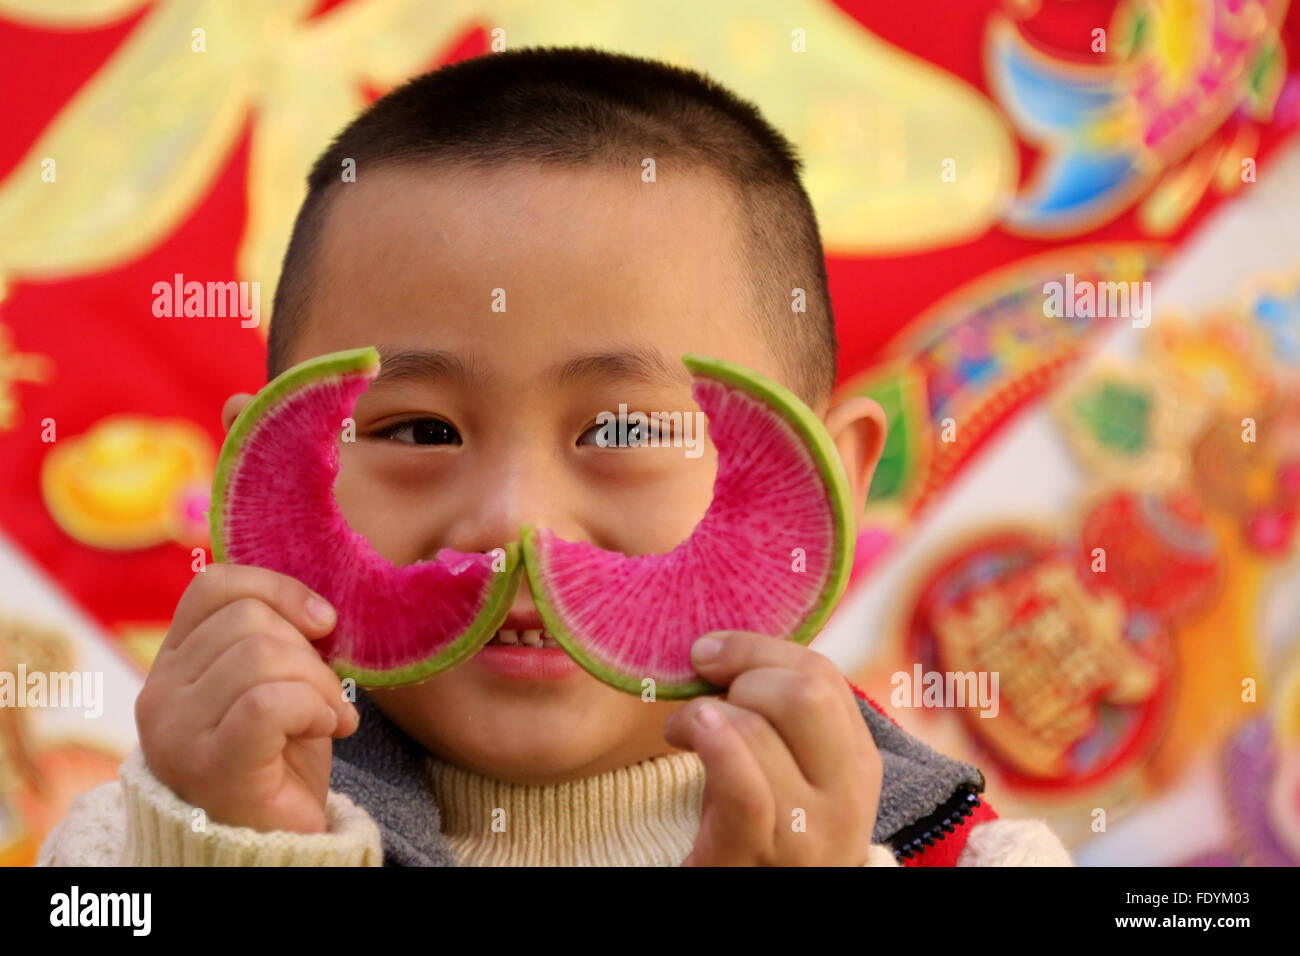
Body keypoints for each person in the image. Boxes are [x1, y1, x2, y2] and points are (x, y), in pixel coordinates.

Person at [41, 47, 1071, 867]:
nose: (513, 518)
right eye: (417, 430)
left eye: (624, 429)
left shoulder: (984, 857)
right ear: (262, 481)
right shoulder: (119, 851)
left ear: (827, 485)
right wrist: (231, 848)